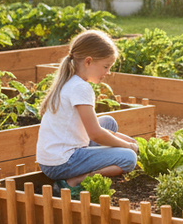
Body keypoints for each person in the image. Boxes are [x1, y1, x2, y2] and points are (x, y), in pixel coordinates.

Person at [36, 29, 139, 192]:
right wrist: (128, 147)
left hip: (52, 157)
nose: (108, 72)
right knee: (129, 159)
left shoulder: (71, 80)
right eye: (106, 66)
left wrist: (130, 142)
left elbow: (94, 129)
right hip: (62, 162)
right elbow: (95, 134)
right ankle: (74, 181)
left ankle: (90, 163)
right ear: (88, 61)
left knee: (109, 123)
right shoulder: (81, 87)